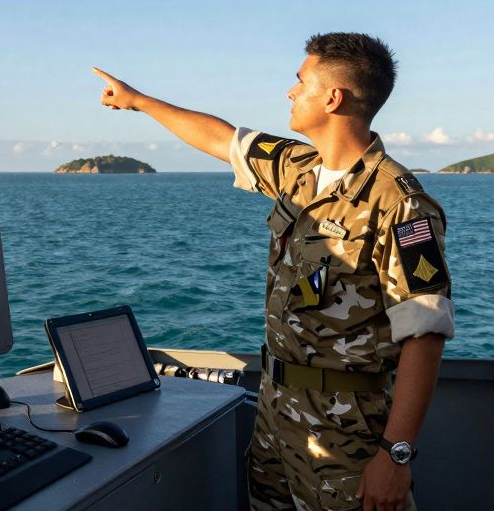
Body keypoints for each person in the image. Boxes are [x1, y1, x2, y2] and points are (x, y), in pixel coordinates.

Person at [93, 32, 453, 511]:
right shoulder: (297, 168)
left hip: (348, 432)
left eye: (299, 81)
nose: (290, 91)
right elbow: (222, 138)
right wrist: (137, 101)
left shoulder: (401, 203)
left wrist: (396, 455)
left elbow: (424, 336)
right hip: (275, 416)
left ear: (333, 97)